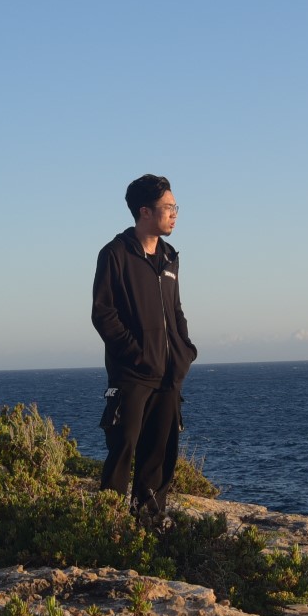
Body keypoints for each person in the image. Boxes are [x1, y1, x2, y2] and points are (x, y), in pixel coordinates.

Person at [91, 174, 196, 522]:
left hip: (168, 375)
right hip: (131, 375)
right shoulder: (115, 254)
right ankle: (106, 529)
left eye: (175, 207)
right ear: (145, 211)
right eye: (169, 207)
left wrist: (184, 351)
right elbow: (103, 314)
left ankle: (149, 529)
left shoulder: (169, 258)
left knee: (160, 455)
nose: (175, 214)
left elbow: (176, 310)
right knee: (123, 450)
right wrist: (136, 353)